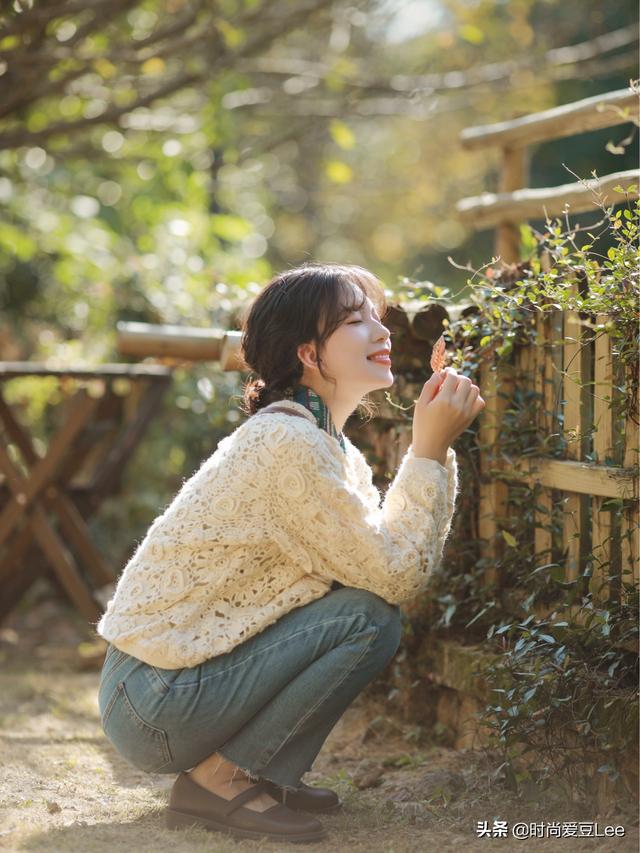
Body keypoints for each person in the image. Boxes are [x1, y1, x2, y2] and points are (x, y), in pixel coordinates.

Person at [95, 262, 485, 844]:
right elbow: (395, 577)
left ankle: (261, 772)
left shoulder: (325, 444)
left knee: (365, 612)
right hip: (153, 701)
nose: (381, 332)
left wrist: (429, 450)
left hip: (161, 689)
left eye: (377, 318)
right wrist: (427, 449)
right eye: (357, 321)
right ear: (309, 352)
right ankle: (220, 781)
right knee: (366, 617)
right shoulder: (288, 443)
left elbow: (381, 561)